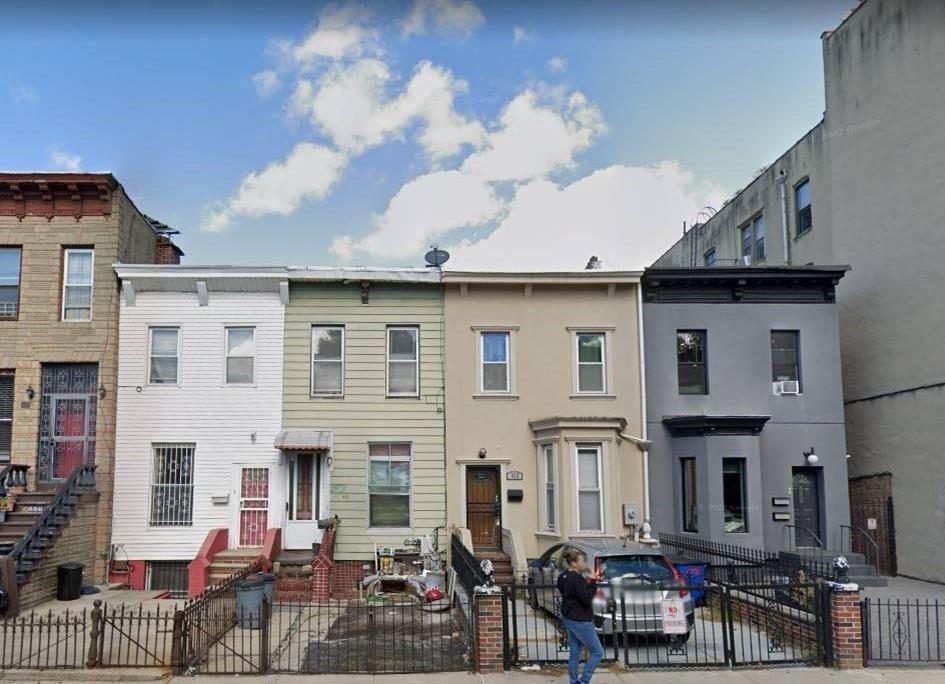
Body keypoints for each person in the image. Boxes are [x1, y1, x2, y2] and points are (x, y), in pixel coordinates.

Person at [556, 549, 604, 684]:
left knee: (575, 653)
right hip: (581, 620)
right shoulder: (576, 579)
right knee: (598, 652)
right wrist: (593, 583)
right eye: (582, 561)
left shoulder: (563, 576)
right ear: (574, 563)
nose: (584, 563)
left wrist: (586, 584)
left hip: (569, 618)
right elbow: (586, 599)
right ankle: (584, 680)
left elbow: (567, 592)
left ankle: (573, 681)